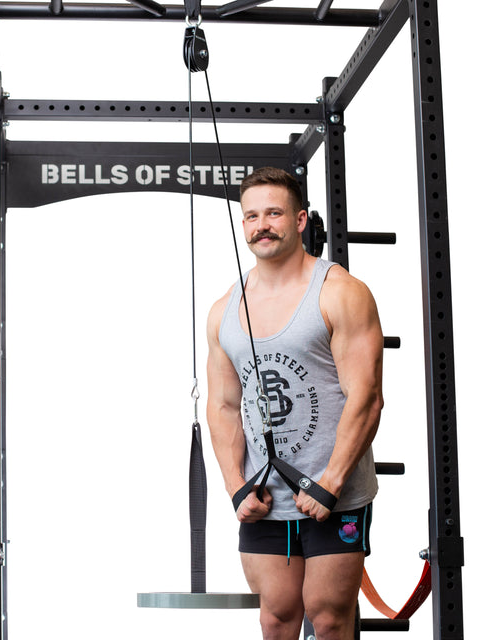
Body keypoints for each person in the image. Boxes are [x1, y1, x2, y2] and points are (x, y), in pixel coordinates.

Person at [206, 167, 384, 640]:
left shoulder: (340, 293)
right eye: (251, 216)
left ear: (300, 220)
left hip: (334, 492)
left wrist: (331, 481)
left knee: (327, 620)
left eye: (274, 213)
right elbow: (223, 405)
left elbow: (365, 397)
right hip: (265, 498)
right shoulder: (225, 309)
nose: (261, 225)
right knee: (275, 619)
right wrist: (235, 486)